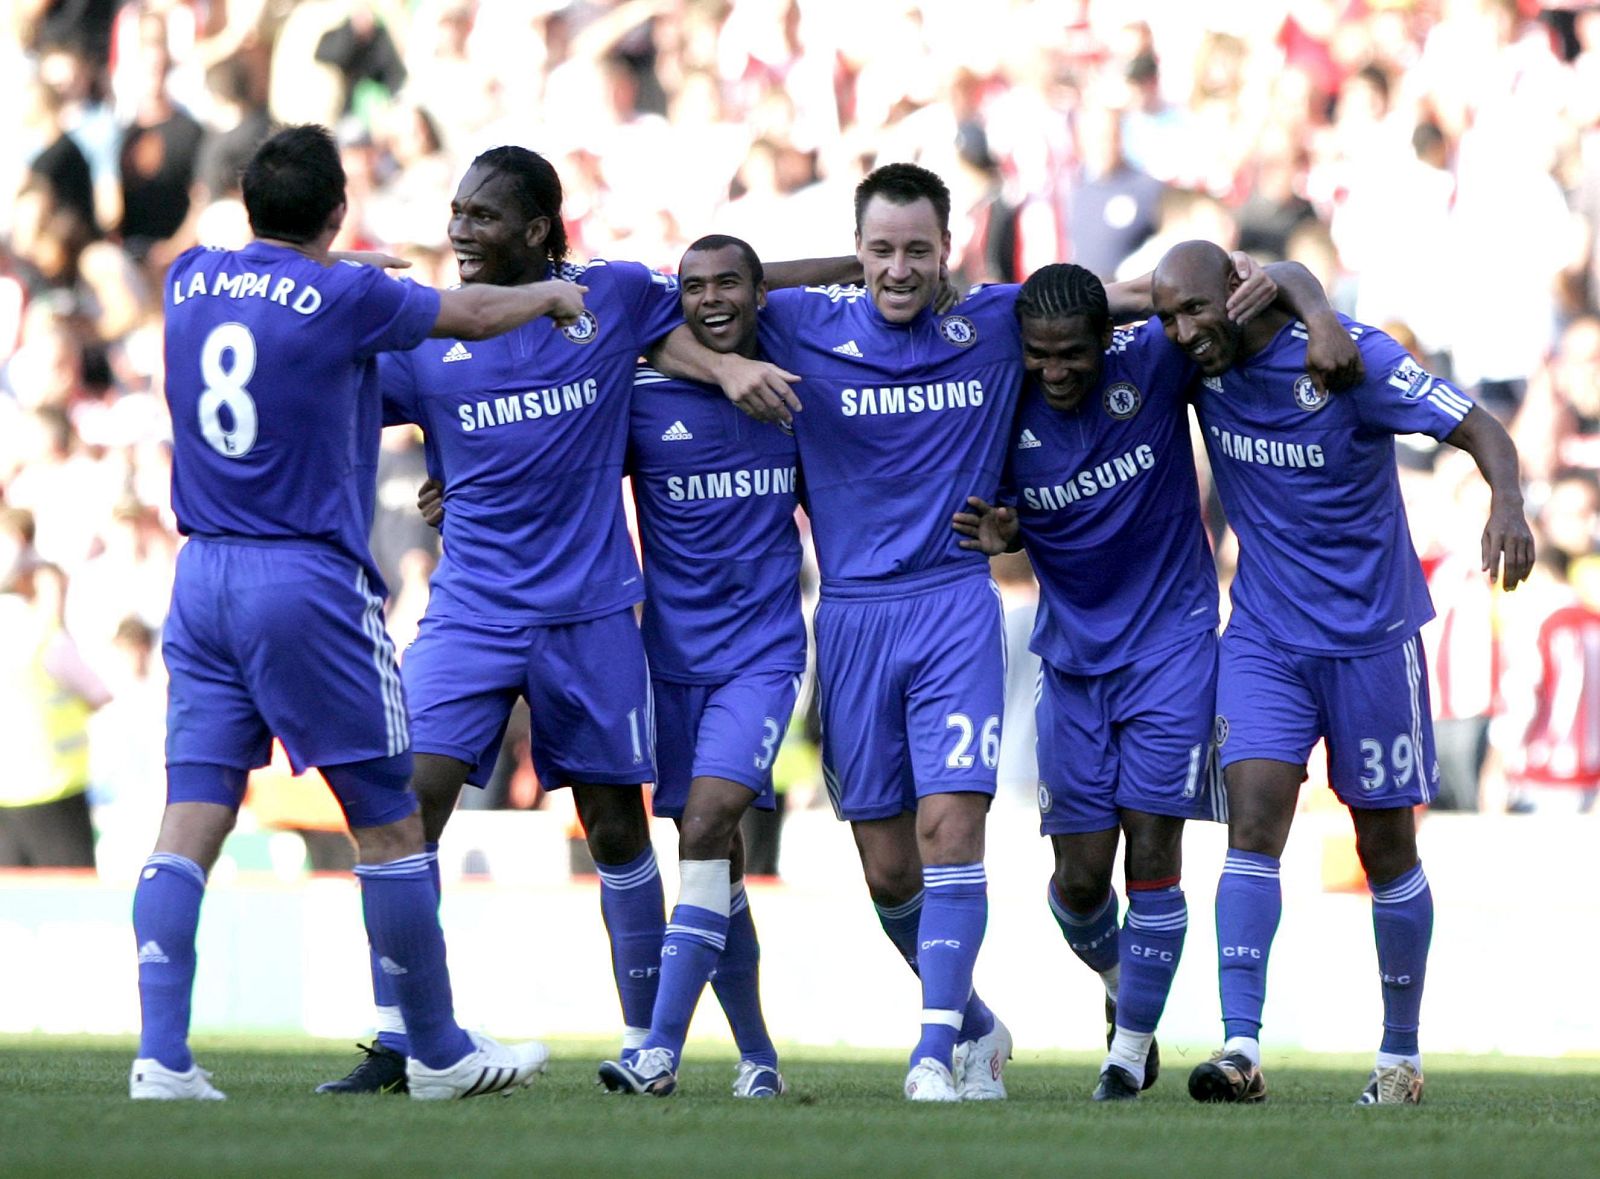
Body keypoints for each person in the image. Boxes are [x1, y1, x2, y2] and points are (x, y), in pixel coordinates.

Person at [326, 146, 845, 1095]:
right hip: (472, 613)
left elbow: (706, 300)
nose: (459, 232)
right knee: (405, 810)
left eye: (482, 216)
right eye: (456, 213)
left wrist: (739, 363)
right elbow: (342, 390)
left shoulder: (605, 296)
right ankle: (402, 1037)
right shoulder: (431, 329)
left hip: (592, 616)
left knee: (615, 831)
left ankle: (651, 1042)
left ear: (535, 228)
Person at [132, 123, 584, 1101]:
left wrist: (341, 267)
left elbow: (287, 292)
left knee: (188, 823)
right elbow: (461, 312)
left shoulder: (188, 280)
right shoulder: (348, 293)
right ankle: (437, 1052)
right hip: (302, 583)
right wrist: (550, 292)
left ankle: (161, 1059)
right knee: (386, 822)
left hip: (200, 574)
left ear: (250, 204)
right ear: (338, 211)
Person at [951, 262, 1357, 1101]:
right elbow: (1011, 533)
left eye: (1071, 353)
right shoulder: (1004, 406)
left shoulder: (1155, 360)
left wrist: (1317, 312)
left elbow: (1241, 276)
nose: (1054, 371)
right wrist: (1003, 538)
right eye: (1039, 355)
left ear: (1108, 340)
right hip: (1071, 661)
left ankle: (1127, 1055)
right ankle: (1119, 981)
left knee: (1156, 850)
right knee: (1079, 881)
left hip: (1173, 648)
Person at [1150, 239, 1534, 1107]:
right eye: (1168, 317)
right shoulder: (1191, 359)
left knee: (1385, 846)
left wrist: (1508, 502)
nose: (1179, 332)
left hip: (1373, 639)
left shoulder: (1346, 357)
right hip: (1265, 638)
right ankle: (1239, 1045)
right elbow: (1135, 297)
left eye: (1194, 312)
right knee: (1251, 823)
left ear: (1238, 295)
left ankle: (1400, 1058)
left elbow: (1481, 426)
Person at [595, 235, 804, 1099]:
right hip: (671, 661)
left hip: (762, 656)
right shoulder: (642, 397)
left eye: (729, 283)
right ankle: (758, 1054)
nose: (710, 299)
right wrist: (455, 488)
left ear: (762, 293)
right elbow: (560, 471)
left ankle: (658, 1048)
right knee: (706, 857)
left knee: (711, 826)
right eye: (692, 286)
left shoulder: (798, 390)